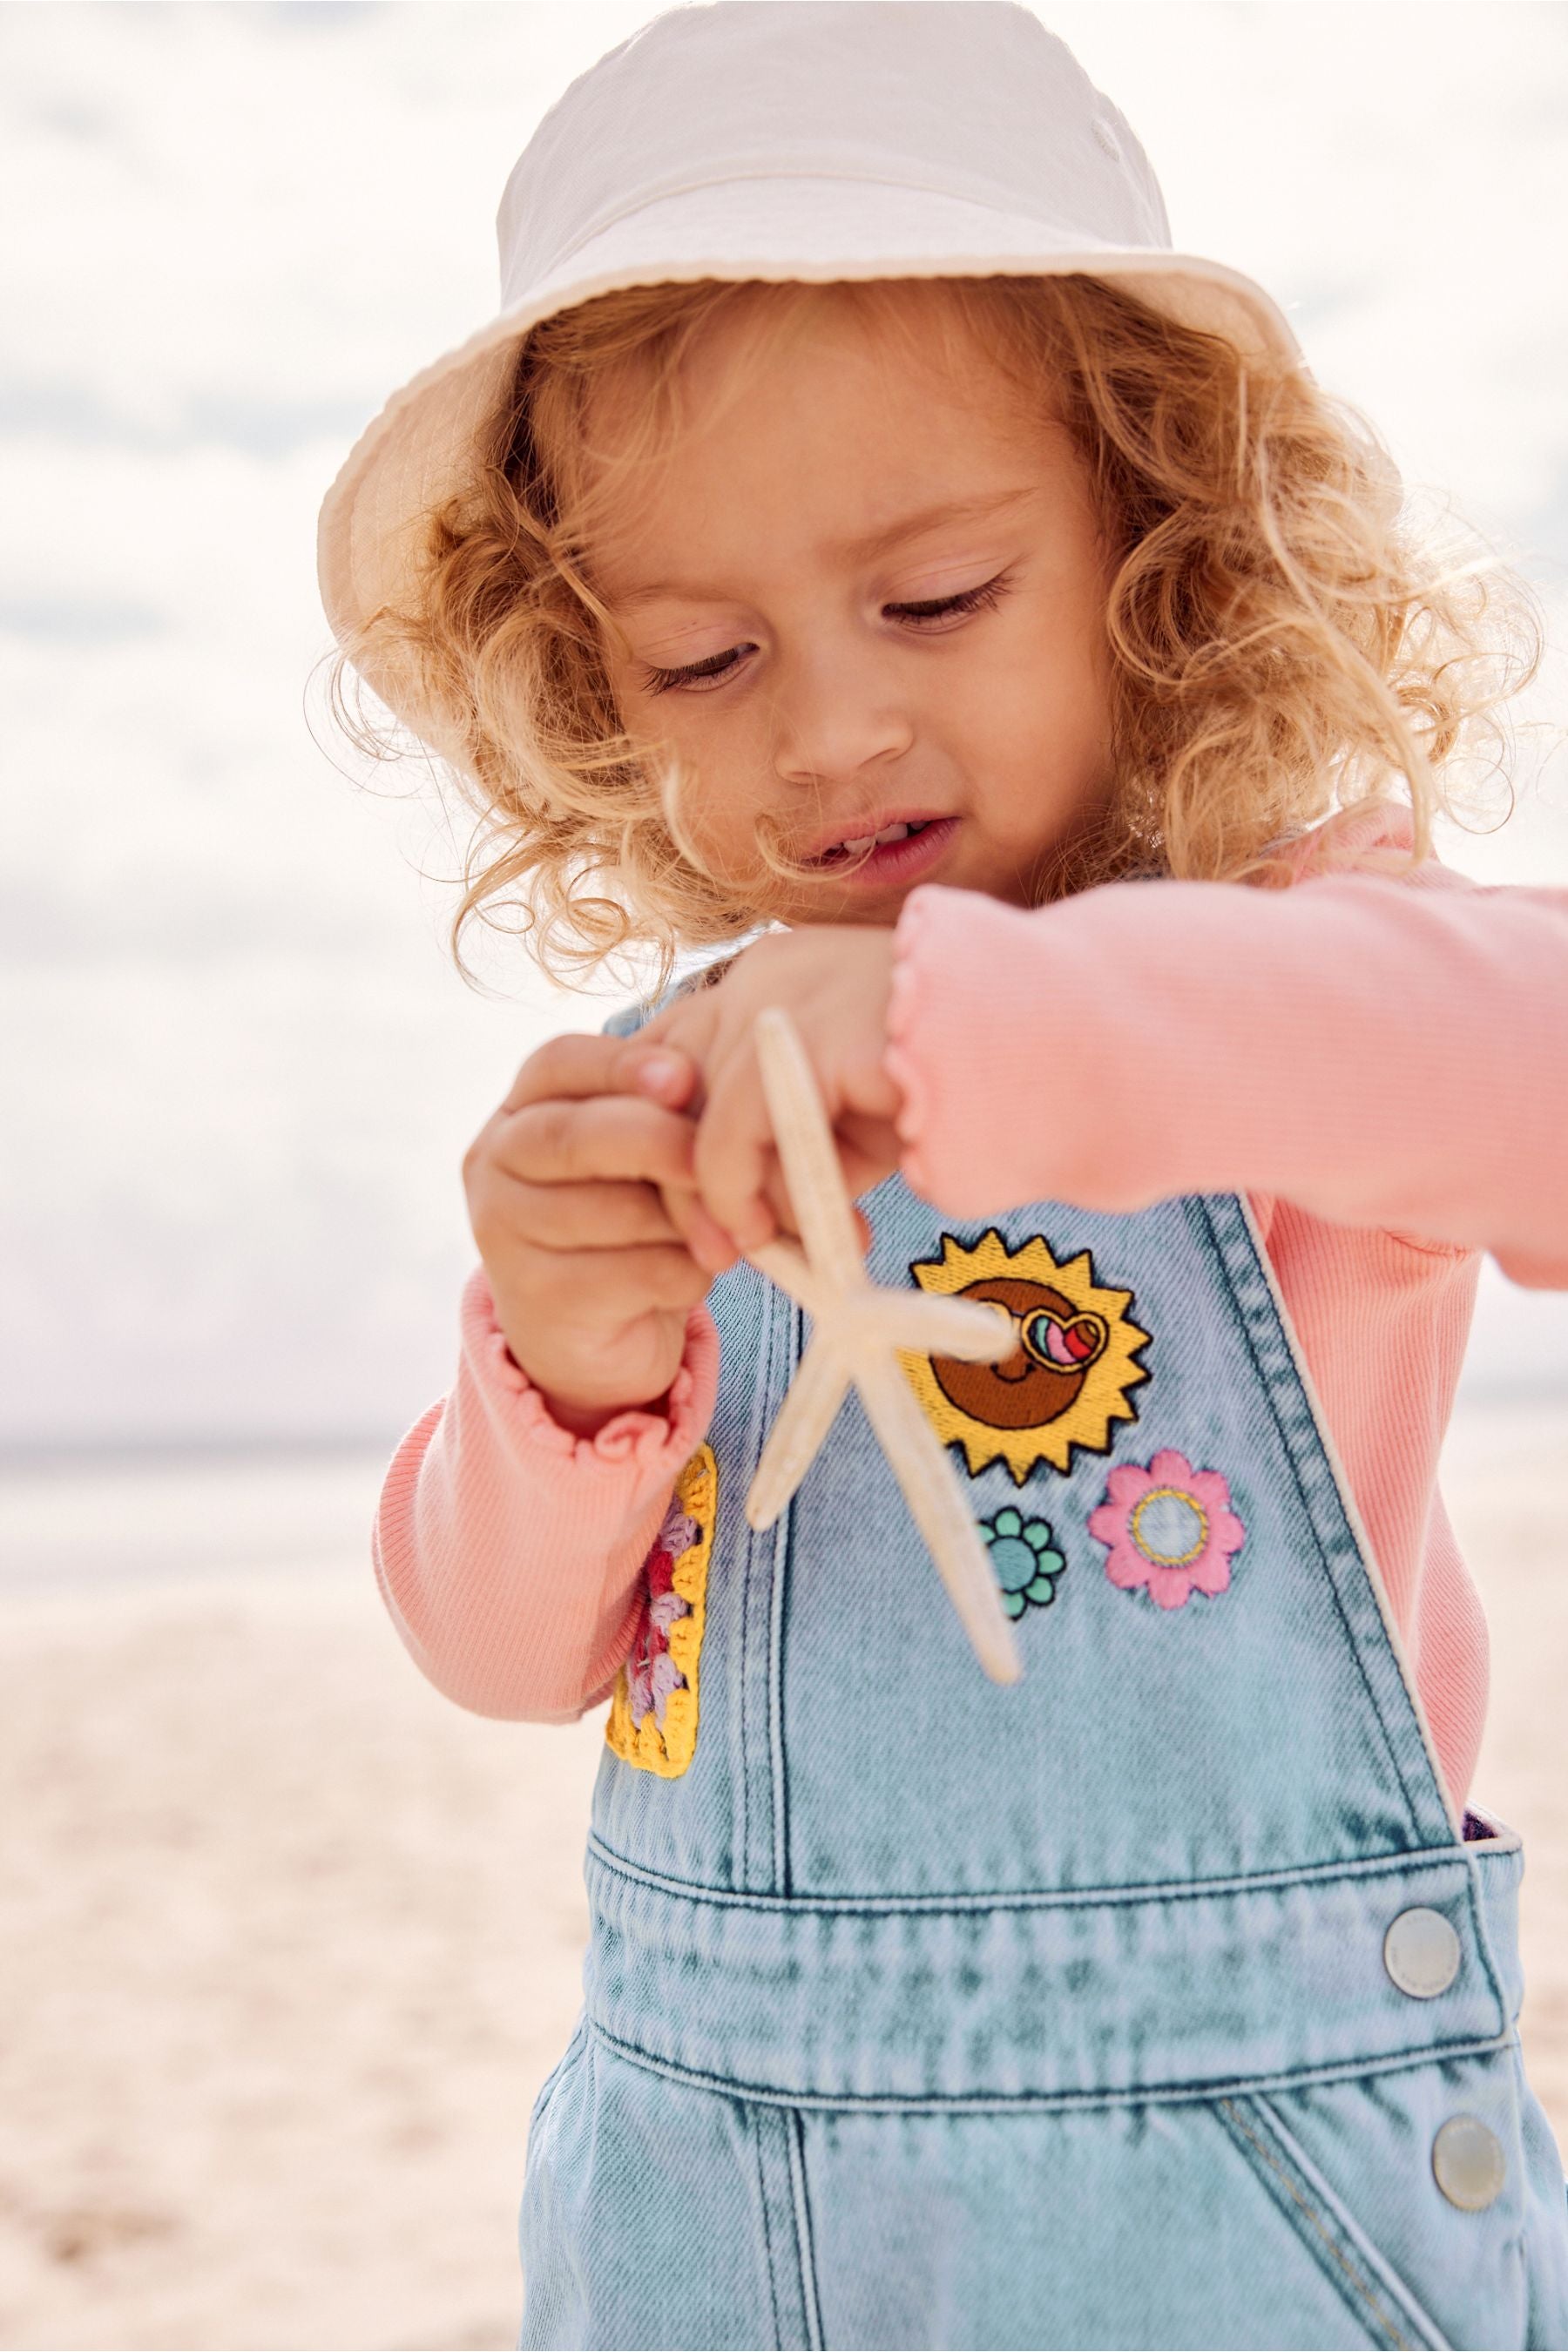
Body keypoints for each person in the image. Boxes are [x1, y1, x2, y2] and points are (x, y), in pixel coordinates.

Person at [317, 6, 1568, 2344]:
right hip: (707, 2223)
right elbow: (493, 1647)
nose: (829, 727)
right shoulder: (659, 1099)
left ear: (1159, 540)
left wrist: (994, 1026)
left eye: (933, 599)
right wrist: (566, 1373)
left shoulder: (1283, 1003)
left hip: (1240, 2220)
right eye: (702, 656)